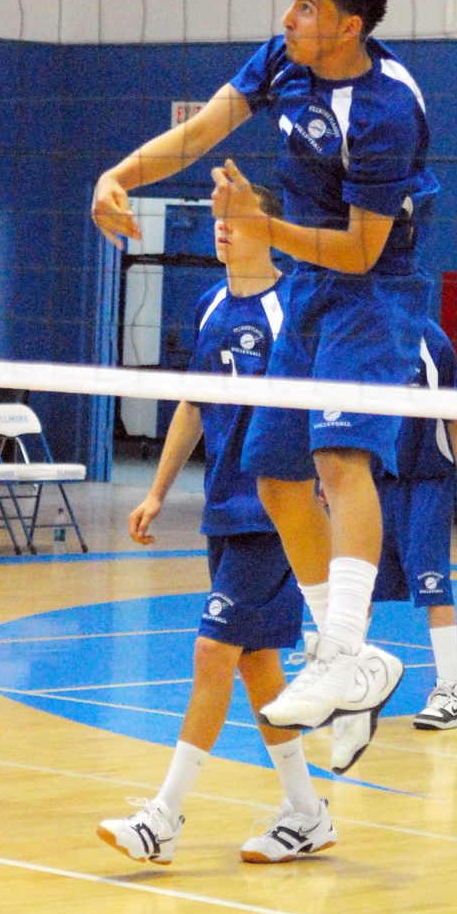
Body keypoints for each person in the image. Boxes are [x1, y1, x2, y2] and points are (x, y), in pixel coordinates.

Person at [92, 0, 438, 738]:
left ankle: (345, 648)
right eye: (291, 3)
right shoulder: (284, 59)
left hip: (376, 292)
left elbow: (360, 252)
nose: (288, 20)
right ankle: (345, 665)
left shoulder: (388, 110)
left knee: (339, 460)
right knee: (275, 474)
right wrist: (118, 174)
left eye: (307, 9)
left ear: (349, 25)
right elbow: (201, 131)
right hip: (311, 286)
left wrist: (260, 227)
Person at [97, 188, 337, 865]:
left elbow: (327, 403)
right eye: (216, 219)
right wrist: (156, 491)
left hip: (274, 510)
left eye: (235, 218)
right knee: (258, 663)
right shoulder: (207, 306)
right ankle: (307, 813)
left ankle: (163, 817)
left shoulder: (291, 308)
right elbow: (193, 405)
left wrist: (322, 483)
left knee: (212, 653)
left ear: (266, 227)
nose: (222, 229)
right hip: (224, 507)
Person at [330, 321, 457, 775]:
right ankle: (353, 688)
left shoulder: (433, 344)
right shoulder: (360, 338)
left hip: (427, 483)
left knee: (433, 585)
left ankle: (450, 690)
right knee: (361, 587)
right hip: (373, 481)